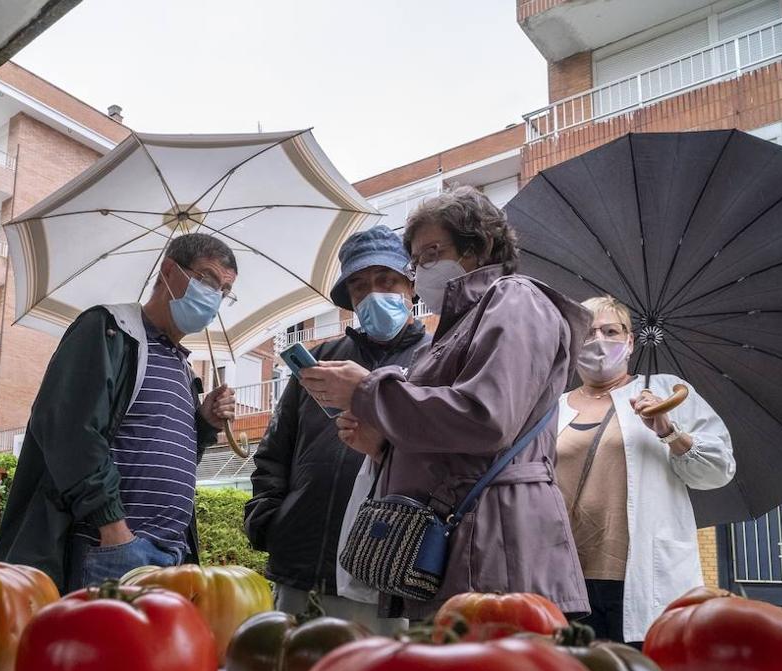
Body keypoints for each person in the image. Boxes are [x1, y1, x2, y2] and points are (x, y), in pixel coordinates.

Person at [300, 187, 590, 622]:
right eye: (416, 261)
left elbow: (487, 418)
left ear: (481, 246)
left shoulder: (515, 298)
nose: (421, 270)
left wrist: (366, 391)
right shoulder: (461, 323)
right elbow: (453, 437)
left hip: (495, 541)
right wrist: (383, 447)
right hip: (467, 539)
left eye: (433, 252)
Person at [0, 233, 237, 591]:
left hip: (172, 556)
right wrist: (112, 526)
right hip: (113, 548)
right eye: (207, 280)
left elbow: (166, 454)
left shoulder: (183, 368)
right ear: (169, 271)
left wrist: (203, 424)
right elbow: (69, 432)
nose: (214, 297)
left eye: (224, 292)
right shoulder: (109, 332)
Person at [244, 226, 429, 633]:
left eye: (387, 280)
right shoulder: (318, 362)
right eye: (360, 287)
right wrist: (270, 520)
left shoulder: (436, 361)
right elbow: (274, 451)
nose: (373, 294)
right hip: (301, 566)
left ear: (412, 286)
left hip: (386, 572)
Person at [556, 296, 735, 645]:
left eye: (610, 331)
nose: (598, 340)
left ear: (630, 341)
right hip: (566, 576)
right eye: (587, 332)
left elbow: (719, 469)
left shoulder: (666, 392)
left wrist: (669, 431)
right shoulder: (554, 406)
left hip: (641, 577)